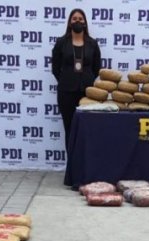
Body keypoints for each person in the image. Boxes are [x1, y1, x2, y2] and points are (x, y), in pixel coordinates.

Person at [52, 8, 102, 149]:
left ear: (85, 23)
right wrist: (66, 80)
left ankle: (85, 161)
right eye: (74, 19)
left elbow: (96, 68)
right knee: (69, 128)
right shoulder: (61, 42)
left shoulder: (92, 43)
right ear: (69, 23)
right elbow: (55, 69)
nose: (77, 21)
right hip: (66, 93)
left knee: (86, 129)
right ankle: (72, 162)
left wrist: (86, 80)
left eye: (80, 19)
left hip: (87, 93)